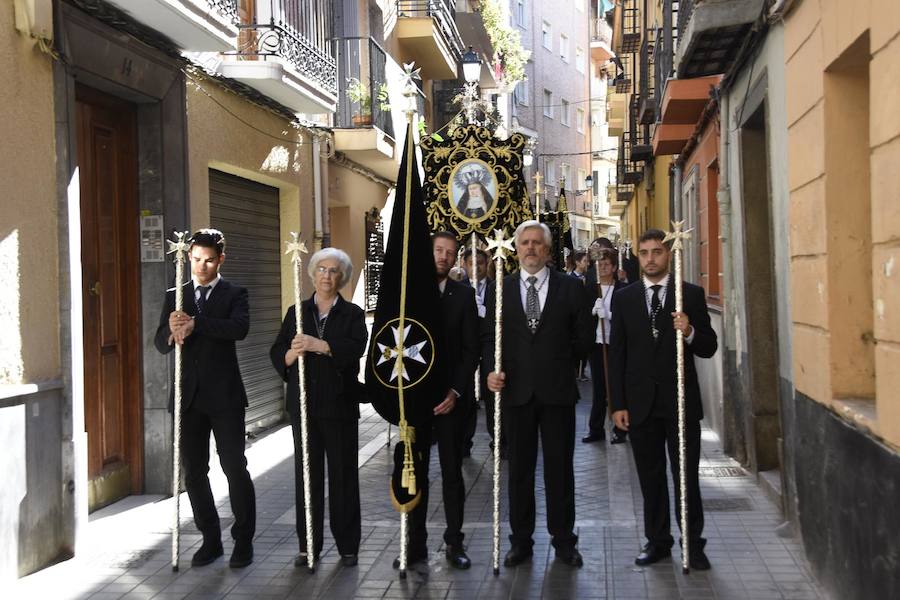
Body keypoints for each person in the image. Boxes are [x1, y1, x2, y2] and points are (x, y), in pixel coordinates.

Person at [485, 220, 593, 568]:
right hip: (516, 394)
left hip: (558, 393)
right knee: (519, 472)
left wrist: (560, 363)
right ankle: (521, 542)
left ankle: (563, 541)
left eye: (537, 243)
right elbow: (491, 339)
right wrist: (491, 371)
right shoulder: (500, 289)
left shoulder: (570, 288)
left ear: (547, 250)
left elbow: (583, 338)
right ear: (516, 249)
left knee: (559, 471)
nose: (530, 248)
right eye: (525, 243)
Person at [608, 228, 718, 571]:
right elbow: (618, 354)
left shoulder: (691, 295)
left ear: (668, 255)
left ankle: (693, 544)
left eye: (657, 251)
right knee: (650, 477)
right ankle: (657, 541)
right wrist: (618, 405)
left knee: (685, 476)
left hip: (680, 403)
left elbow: (709, 346)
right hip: (640, 405)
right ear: (637, 257)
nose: (651, 258)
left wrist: (689, 331)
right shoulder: (624, 298)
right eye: (644, 252)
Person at [154, 228, 256, 569]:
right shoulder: (175, 294)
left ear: (220, 259)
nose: (201, 266)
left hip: (225, 396)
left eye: (209, 260)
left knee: (234, 467)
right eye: (196, 259)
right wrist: (171, 330)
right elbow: (158, 341)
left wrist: (198, 323)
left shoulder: (234, 293)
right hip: (188, 398)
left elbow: (239, 329)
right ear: (188, 258)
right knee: (194, 472)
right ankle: (210, 539)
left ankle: (243, 540)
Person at [269, 247, 367, 568]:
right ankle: (307, 544)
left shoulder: (352, 314)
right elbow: (278, 352)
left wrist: (319, 345)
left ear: (343, 278)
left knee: (343, 477)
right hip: (304, 406)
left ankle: (348, 545)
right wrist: (291, 354)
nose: (327, 276)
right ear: (312, 274)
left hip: (339, 406)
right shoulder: (296, 312)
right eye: (322, 270)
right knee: (307, 476)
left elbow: (355, 349)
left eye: (334, 271)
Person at [395, 232, 480, 570]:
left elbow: (471, 349)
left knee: (451, 473)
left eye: (450, 253)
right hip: (416, 401)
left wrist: (455, 391)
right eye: (438, 251)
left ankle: (454, 542)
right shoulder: (409, 293)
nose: (444, 257)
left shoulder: (464, 295)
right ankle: (415, 545)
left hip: (451, 401)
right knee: (414, 474)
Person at [582, 248, 628, 444]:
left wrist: (608, 315)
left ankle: (620, 428)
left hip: (616, 344)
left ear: (614, 267)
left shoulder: (622, 289)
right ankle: (596, 429)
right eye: (599, 265)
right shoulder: (591, 288)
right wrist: (592, 312)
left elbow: (625, 318)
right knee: (599, 387)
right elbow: (583, 315)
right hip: (597, 343)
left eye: (606, 265)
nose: (602, 268)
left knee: (617, 385)